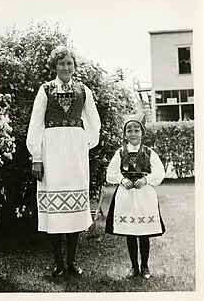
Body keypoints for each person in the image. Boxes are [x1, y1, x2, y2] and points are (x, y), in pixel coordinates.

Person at [26, 45, 101, 278]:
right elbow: (36, 124)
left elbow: (94, 121)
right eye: (61, 64)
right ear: (55, 66)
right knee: (54, 206)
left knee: (74, 207)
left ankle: (72, 261)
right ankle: (58, 262)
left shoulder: (83, 89)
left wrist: (83, 142)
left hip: (75, 153)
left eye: (69, 63)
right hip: (52, 151)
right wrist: (37, 158)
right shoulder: (45, 90)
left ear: (74, 66)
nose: (66, 67)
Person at [105, 114, 165, 279]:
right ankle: (134, 267)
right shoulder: (120, 152)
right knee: (131, 232)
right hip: (126, 195)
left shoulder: (148, 152)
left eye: (136, 130)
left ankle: (145, 266)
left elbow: (160, 173)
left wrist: (146, 179)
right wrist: (121, 179)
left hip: (144, 195)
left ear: (142, 133)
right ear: (124, 134)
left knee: (144, 232)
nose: (133, 133)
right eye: (129, 130)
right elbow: (110, 173)